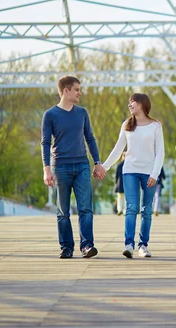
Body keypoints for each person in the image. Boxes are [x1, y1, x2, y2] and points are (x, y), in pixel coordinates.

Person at [41, 76, 106, 259]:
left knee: (85, 208)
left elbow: (90, 138)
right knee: (63, 211)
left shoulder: (82, 113)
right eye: (76, 89)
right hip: (59, 167)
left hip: (82, 166)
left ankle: (87, 246)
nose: (80, 93)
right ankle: (66, 247)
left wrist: (97, 162)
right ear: (65, 91)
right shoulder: (50, 115)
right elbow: (45, 143)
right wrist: (46, 168)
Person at [101, 93, 164, 258]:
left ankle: (143, 245)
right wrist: (104, 167)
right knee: (131, 208)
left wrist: (155, 174)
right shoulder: (126, 125)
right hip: (130, 170)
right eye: (129, 103)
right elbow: (118, 149)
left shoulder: (155, 126)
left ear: (142, 104)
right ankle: (129, 244)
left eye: (133, 102)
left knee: (146, 210)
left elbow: (160, 153)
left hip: (149, 172)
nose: (130, 105)